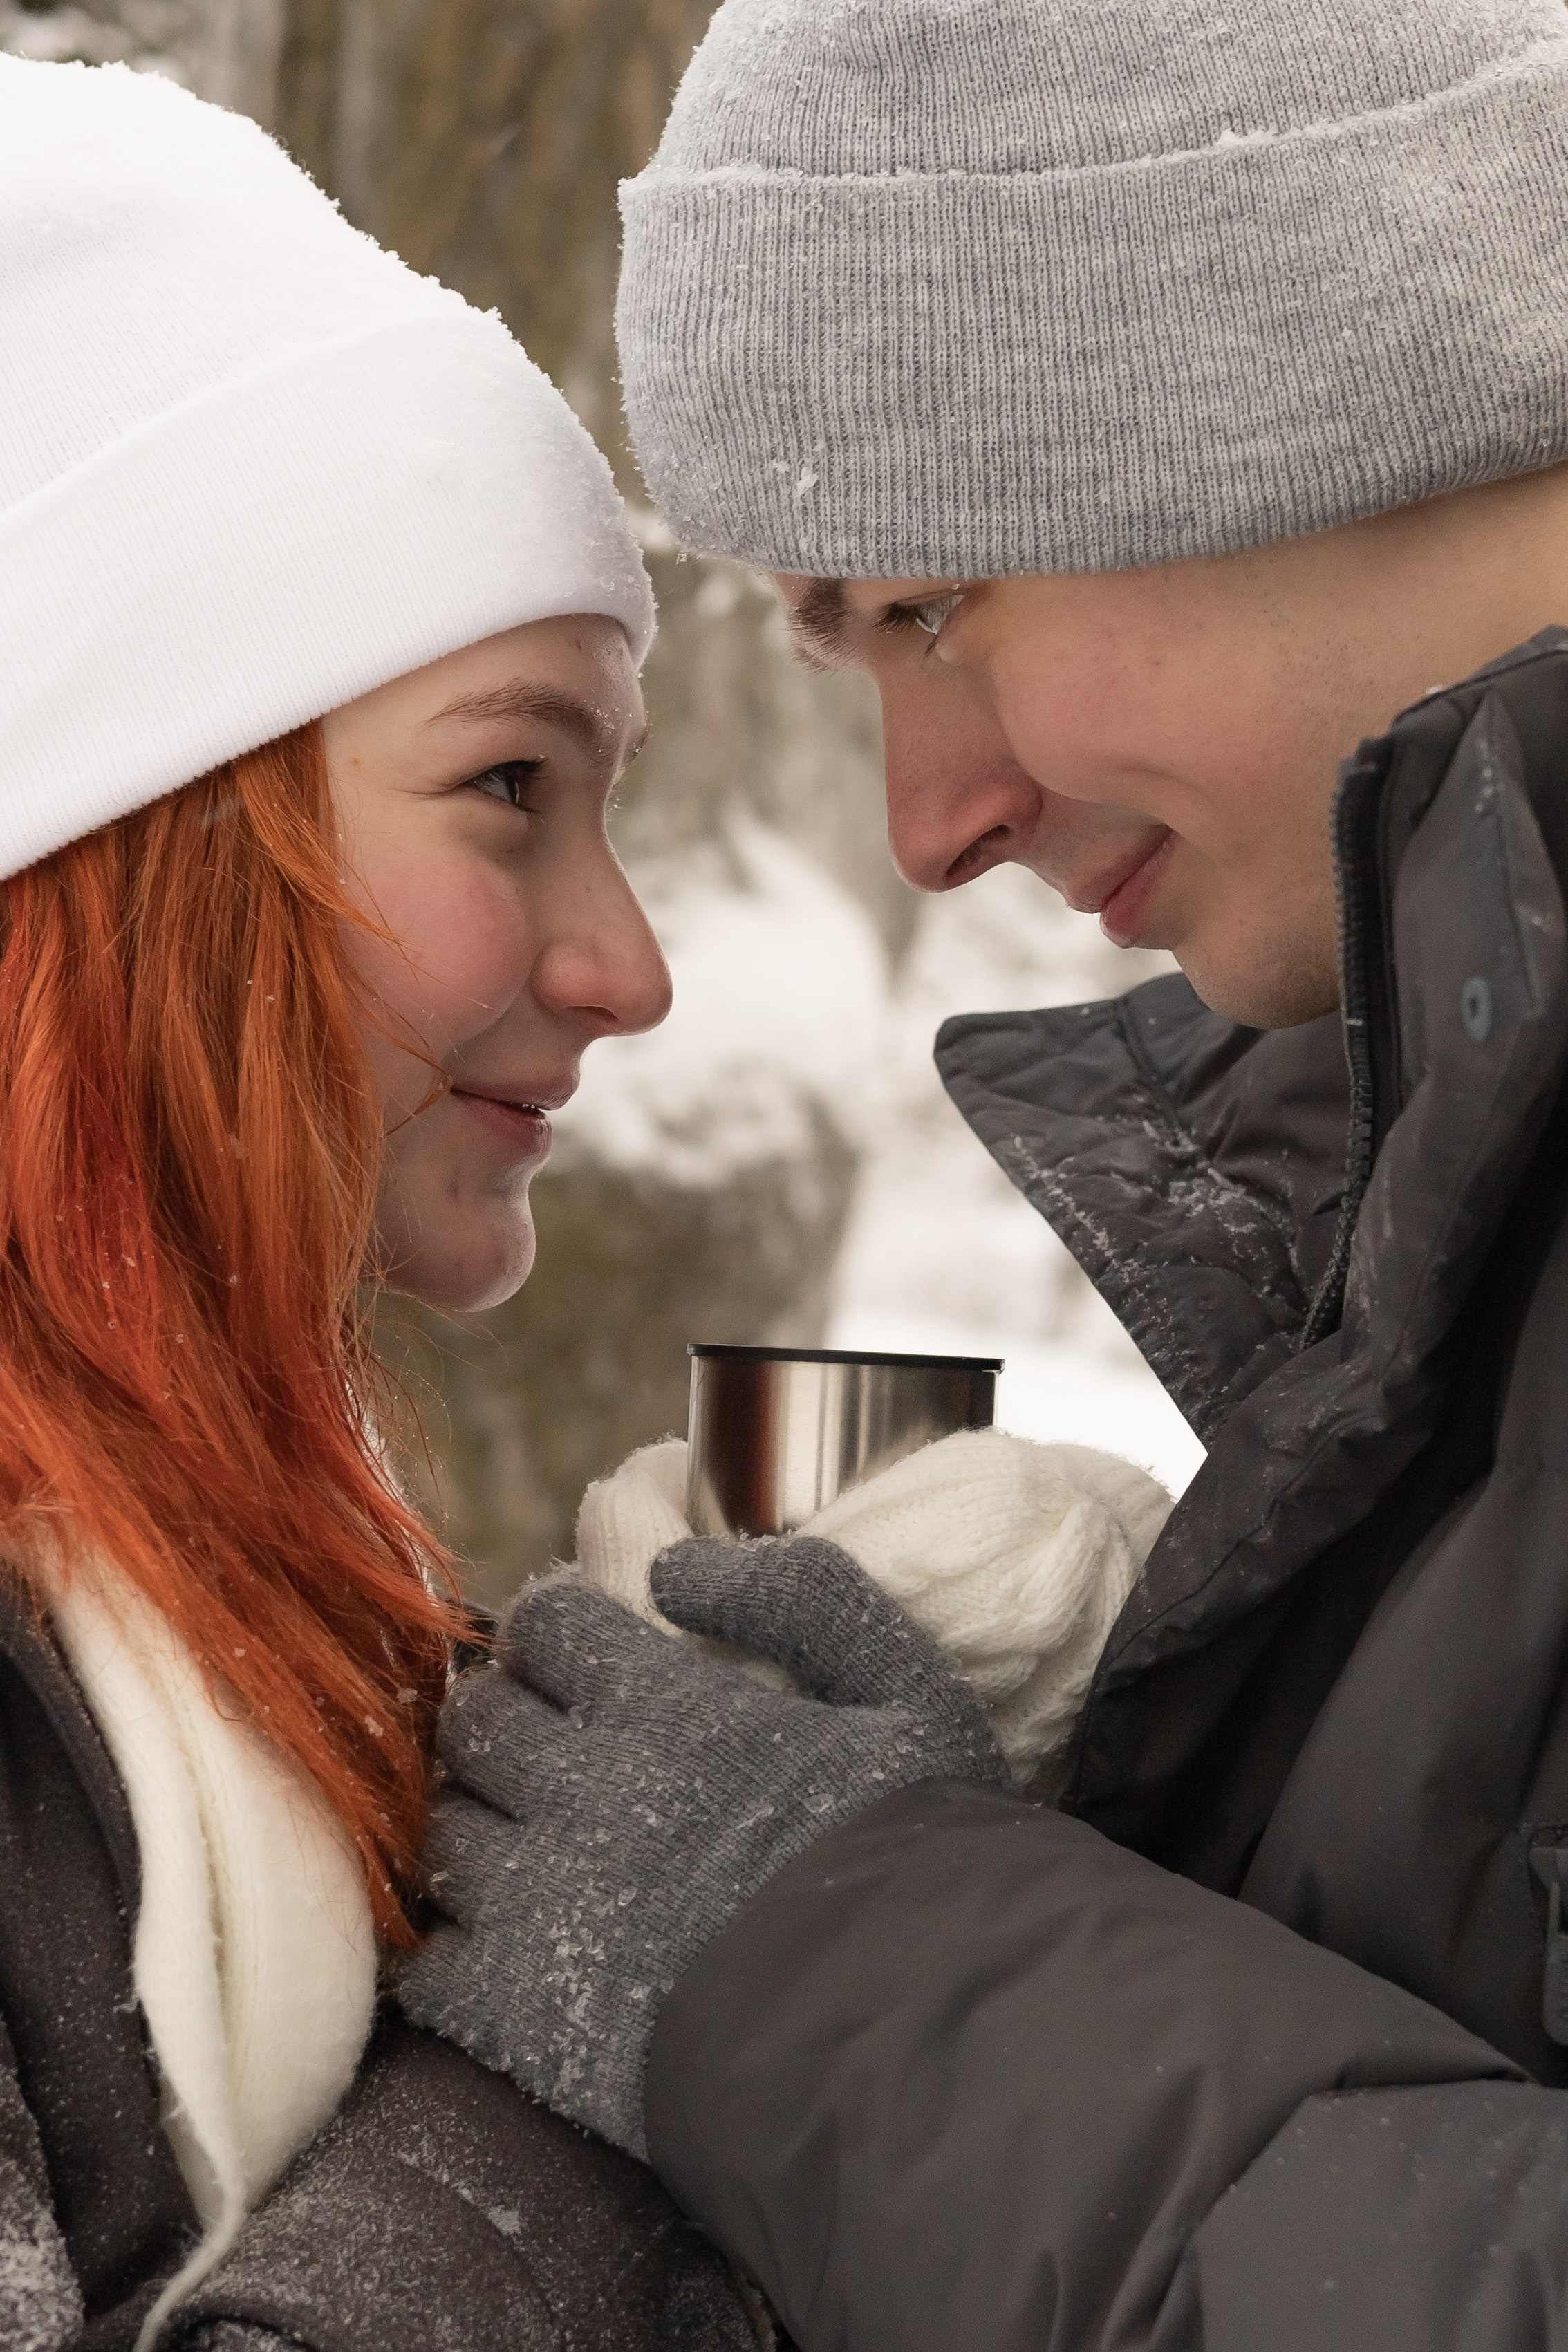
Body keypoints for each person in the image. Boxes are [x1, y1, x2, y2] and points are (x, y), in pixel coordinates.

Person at [395, 0, 1568, 2344]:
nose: (933, 820)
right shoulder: (1452, 1167)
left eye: (928, 606)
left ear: (1318, 359)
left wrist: (853, 1977)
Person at [0, 53, 770, 2352]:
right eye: (509, 784)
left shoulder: (187, 1591)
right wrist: (616, 2041)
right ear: (132, 842)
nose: (622, 963)